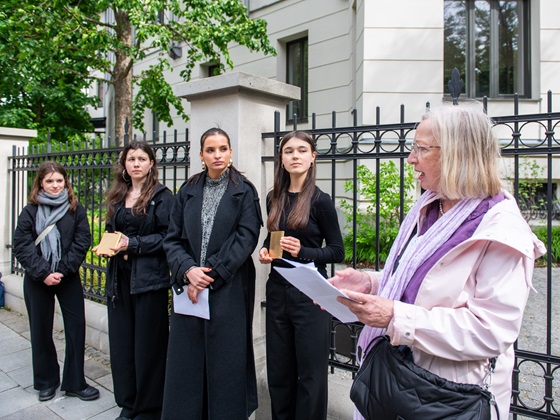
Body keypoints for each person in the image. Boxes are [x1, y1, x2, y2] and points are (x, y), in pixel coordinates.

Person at [331, 105, 546, 419]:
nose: (411, 158)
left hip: (445, 396)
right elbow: (419, 282)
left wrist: (394, 315)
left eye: (421, 148)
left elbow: (490, 331)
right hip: (398, 381)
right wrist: (373, 282)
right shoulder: (432, 207)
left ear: (459, 154)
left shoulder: (501, 230)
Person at [162, 127, 262, 420]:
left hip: (228, 287)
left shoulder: (244, 190)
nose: (217, 155)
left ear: (230, 153)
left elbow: (246, 237)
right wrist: (188, 270)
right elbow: (173, 238)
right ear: (201, 155)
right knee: (187, 360)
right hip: (189, 286)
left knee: (225, 361)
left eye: (222, 149)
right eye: (210, 150)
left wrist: (209, 276)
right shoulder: (188, 190)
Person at [258, 130, 345, 420]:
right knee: (280, 374)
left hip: (311, 296)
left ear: (312, 158)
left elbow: (336, 252)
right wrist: (265, 251)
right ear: (281, 160)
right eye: (289, 151)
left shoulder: (321, 201)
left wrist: (304, 252)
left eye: (302, 151)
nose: (295, 156)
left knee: (311, 376)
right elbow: (274, 239)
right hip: (278, 291)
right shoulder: (274, 197)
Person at [93, 140, 174, 420]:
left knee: (148, 348)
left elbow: (168, 238)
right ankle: (128, 405)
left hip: (149, 282)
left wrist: (132, 244)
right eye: (131, 159)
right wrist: (106, 245)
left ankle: (149, 410)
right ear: (124, 165)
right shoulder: (118, 195)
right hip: (119, 281)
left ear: (151, 163)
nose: (136, 163)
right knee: (123, 345)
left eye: (142, 158)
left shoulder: (163, 197)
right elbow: (110, 229)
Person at [13, 161, 100, 402]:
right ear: (40, 182)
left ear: (66, 182)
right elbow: (22, 244)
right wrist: (43, 272)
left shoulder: (75, 208)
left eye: (59, 181)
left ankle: (75, 383)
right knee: (41, 330)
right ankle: (46, 382)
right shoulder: (30, 210)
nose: (55, 185)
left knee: (76, 328)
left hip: (67, 276)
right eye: (49, 181)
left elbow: (83, 240)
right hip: (37, 278)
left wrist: (61, 270)